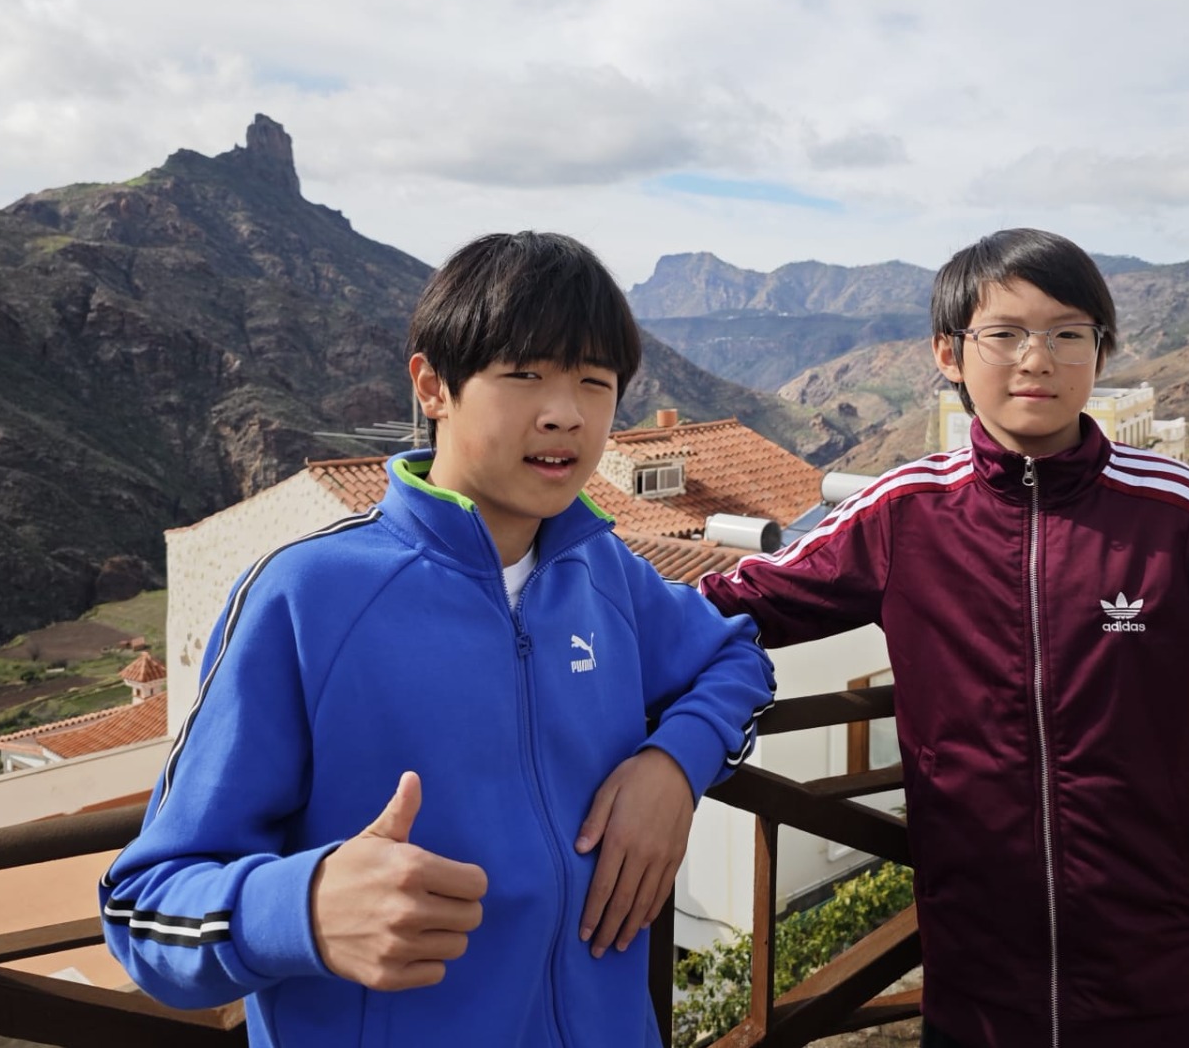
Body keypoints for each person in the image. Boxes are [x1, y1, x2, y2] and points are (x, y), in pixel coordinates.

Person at [699, 228, 1189, 1048]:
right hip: (979, 994)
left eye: (1067, 334)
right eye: (1005, 334)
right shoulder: (901, 513)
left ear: (1100, 350)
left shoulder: (1177, 511)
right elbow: (729, 603)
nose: (1036, 359)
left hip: (1160, 982)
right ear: (949, 353)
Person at [102, 231, 775, 1047]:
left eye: (594, 382)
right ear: (433, 385)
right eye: (524, 373)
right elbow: (142, 905)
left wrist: (674, 767)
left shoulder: (602, 569)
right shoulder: (309, 597)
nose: (564, 411)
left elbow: (735, 656)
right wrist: (304, 909)